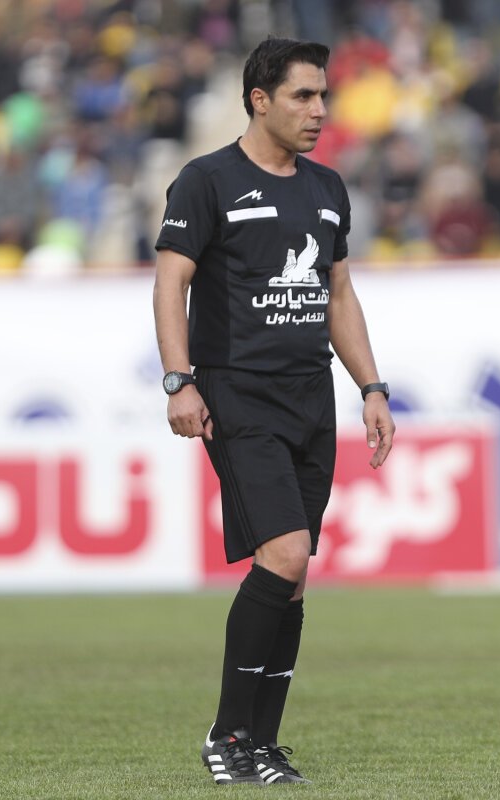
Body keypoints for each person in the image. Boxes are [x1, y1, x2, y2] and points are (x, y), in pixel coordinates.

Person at [152, 37, 395, 786]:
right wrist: (179, 381)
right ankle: (227, 733)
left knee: (293, 576)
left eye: (322, 96)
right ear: (259, 100)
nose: (319, 110)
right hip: (238, 394)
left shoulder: (327, 188)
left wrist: (371, 387)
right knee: (284, 554)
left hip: (310, 397)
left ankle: (260, 743)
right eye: (302, 96)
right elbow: (170, 284)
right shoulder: (207, 181)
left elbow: (339, 294)